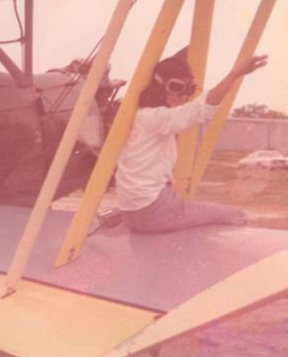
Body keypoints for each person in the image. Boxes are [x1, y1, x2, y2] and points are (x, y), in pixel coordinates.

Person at [109, 47, 268, 232]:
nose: (183, 96)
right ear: (159, 86)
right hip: (152, 210)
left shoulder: (140, 116)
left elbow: (194, 104)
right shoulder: (155, 118)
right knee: (234, 215)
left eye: (189, 89)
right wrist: (234, 75)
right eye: (176, 87)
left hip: (132, 210)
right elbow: (201, 108)